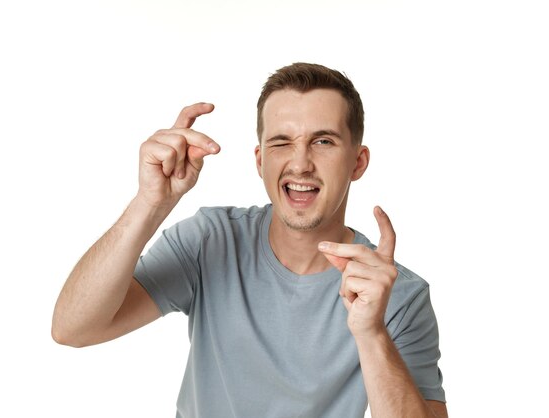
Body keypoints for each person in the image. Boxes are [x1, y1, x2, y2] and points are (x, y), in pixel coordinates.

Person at [52, 62, 447, 418]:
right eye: (281, 142)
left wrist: (371, 333)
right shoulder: (210, 240)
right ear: (260, 160)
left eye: (323, 141)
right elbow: (72, 329)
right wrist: (150, 203)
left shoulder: (395, 294)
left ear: (357, 162)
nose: (300, 163)